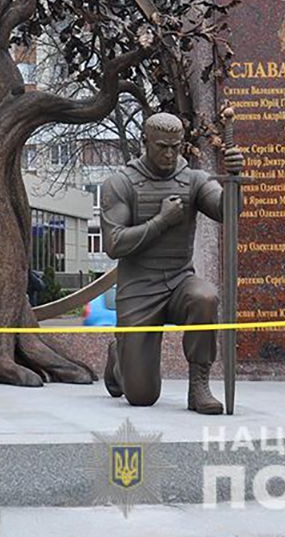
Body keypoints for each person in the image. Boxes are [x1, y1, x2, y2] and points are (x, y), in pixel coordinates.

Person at [99, 112, 243, 412]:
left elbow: (226, 212)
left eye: (175, 147)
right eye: (161, 146)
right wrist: (161, 222)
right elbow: (114, 245)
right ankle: (119, 359)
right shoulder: (120, 183)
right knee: (142, 397)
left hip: (179, 281)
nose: (169, 154)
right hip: (139, 288)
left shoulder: (194, 180)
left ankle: (199, 385)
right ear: (145, 142)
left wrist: (234, 182)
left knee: (205, 296)